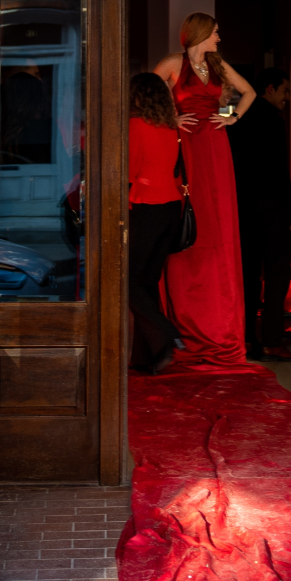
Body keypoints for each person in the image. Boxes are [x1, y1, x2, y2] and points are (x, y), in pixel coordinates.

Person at [152, 12, 252, 368]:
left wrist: (232, 117)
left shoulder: (217, 64)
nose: (219, 38)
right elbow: (143, 96)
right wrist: (169, 119)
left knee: (218, 220)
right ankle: (184, 320)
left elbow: (249, 92)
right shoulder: (172, 63)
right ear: (200, 33)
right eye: (215, 32)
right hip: (186, 144)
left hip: (214, 144)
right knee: (188, 219)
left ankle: (217, 319)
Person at [229, 66, 291, 360]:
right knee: (276, 273)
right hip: (271, 206)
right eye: (285, 91)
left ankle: (246, 340)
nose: (287, 98)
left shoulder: (237, 118)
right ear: (269, 89)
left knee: (247, 275)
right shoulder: (272, 120)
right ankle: (272, 339)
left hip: (243, 206)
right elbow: (277, 169)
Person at [126, 72, 185, 374]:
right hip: (170, 209)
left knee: (127, 282)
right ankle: (149, 356)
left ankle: (166, 333)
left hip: (146, 207)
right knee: (146, 282)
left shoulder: (135, 125)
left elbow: (130, 171)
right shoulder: (168, 126)